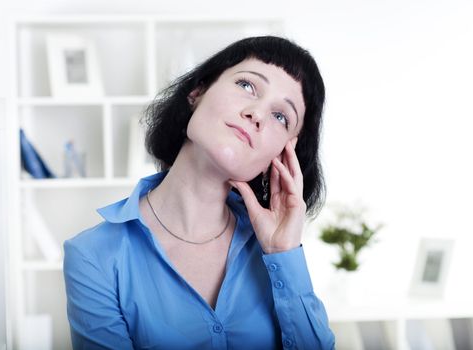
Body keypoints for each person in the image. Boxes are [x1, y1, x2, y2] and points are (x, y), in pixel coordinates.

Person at [63, 36, 336, 349]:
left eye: (280, 116)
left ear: (282, 154)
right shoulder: (94, 256)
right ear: (197, 91)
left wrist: (284, 254)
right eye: (247, 85)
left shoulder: (275, 253)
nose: (257, 113)